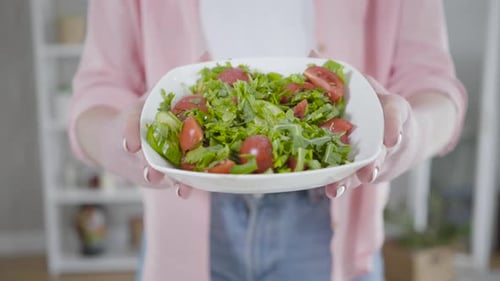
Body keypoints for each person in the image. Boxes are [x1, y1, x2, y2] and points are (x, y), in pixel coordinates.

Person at [69, 1, 467, 281]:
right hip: (184, 233)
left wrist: (404, 134)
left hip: (329, 230)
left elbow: (432, 85)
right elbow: (95, 97)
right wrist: (132, 143)